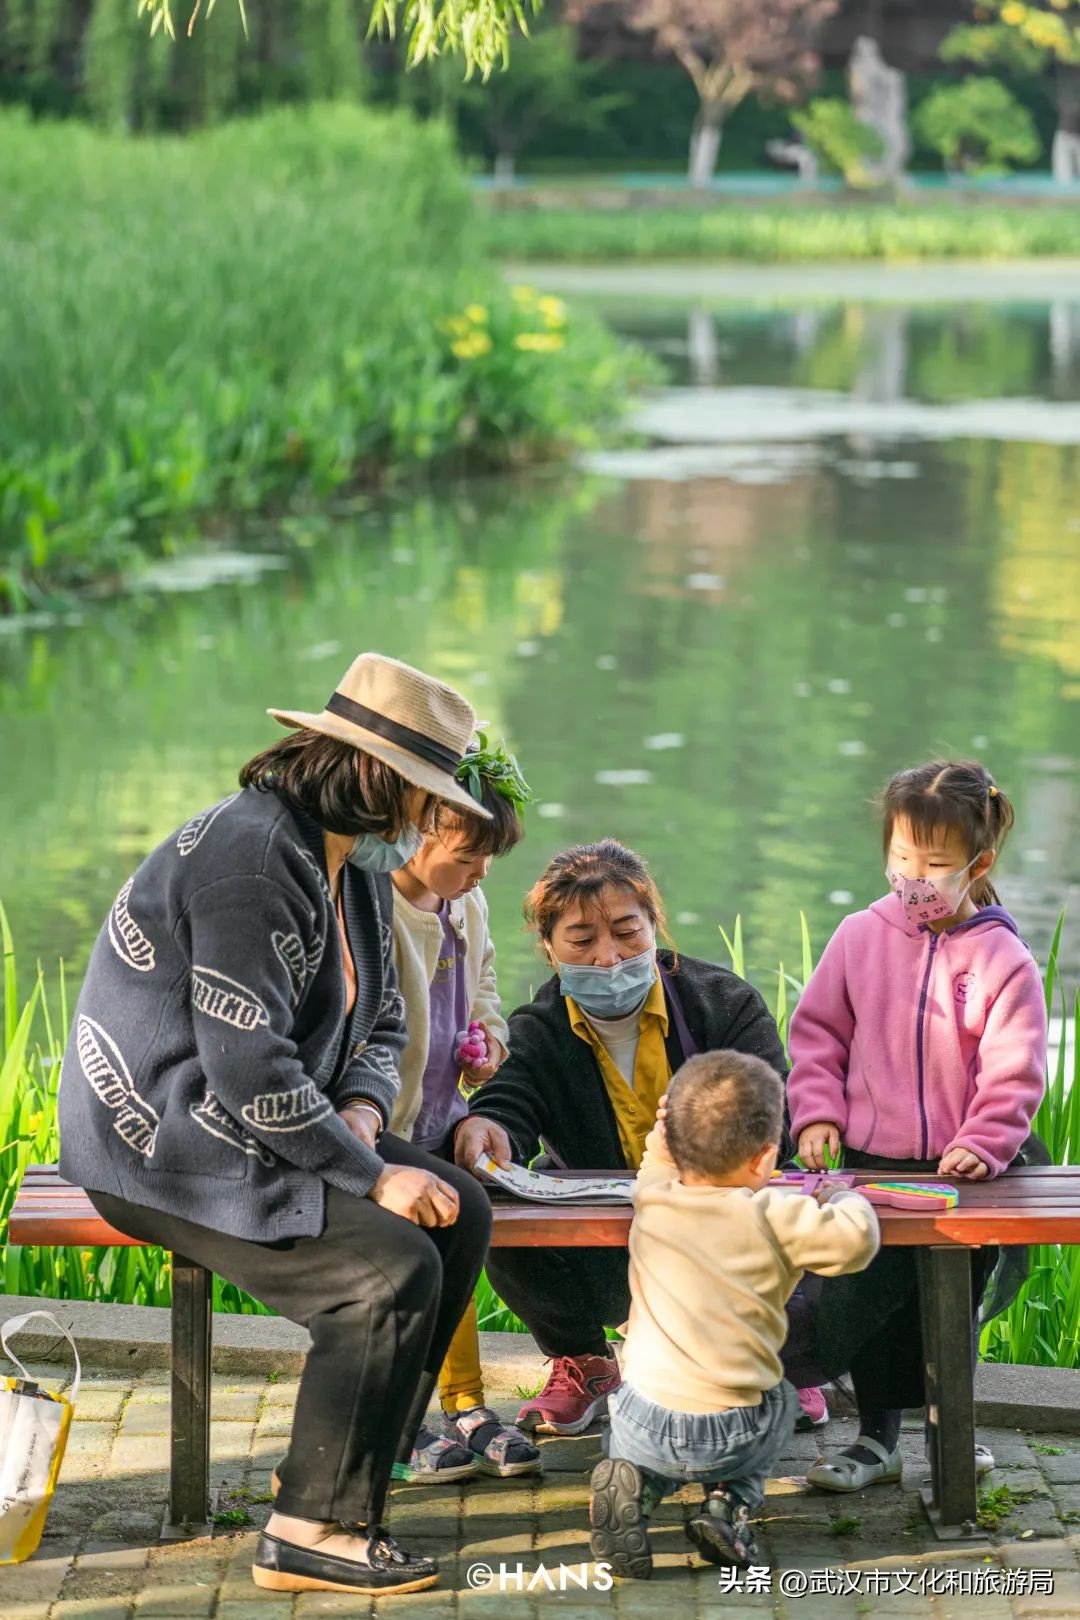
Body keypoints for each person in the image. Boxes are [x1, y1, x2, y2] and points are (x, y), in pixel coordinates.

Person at [57, 652, 495, 1598]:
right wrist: (371, 1175)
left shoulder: (349, 861)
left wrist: (366, 1114)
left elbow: (381, 1019)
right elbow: (244, 1063)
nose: (428, 824)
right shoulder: (253, 858)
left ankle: (360, 1479)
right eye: (423, 799)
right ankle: (310, 1530)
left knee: (462, 1208)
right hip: (167, 1138)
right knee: (386, 1269)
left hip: (272, 1115)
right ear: (376, 780)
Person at [453, 838, 790, 1436]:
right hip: (607, 1246)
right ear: (550, 950)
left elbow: (773, 1109)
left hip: (720, 1231)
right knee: (495, 1214)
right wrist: (487, 1125)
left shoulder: (724, 1004)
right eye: (582, 940)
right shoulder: (541, 1026)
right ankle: (584, 1361)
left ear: (655, 927)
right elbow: (511, 1100)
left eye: (628, 933)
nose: (608, 957)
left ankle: (779, 1365)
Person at [787, 760, 1048, 1492]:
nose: (913, 878)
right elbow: (817, 1036)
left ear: (979, 863)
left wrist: (983, 1141)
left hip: (962, 1171)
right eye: (901, 858)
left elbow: (1015, 1069)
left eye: (934, 864)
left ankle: (949, 1435)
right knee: (863, 1297)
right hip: (870, 1156)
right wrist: (816, 1114)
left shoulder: (1002, 959)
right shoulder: (858, 936)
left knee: (946, 1305)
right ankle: (875, 1440)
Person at [589, 1051, 879, 1577]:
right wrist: (845, 1199)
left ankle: (639, 1485)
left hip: (638, 1417)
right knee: (783, 1396)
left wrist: (663, 1133)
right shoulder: (775, 1215)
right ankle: (727, 1507)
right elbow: (855, 1245)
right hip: (730, 1429)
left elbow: (655, 1162)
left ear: (676, 1144)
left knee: (643, 1435)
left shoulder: (653, 1198)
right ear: (766, 1157)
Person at [389, 735, 541, 1483]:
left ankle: (467, 1403)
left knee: (465, 1227)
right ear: (420, 830)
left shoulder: (468, 903)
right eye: (468, 853)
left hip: (445, 1112)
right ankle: (399, 1417)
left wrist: (490, 1044)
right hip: (384, 1124)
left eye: (489, 857)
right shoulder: (376, 909)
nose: (482, 872)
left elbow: (483, 992)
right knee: (405, 1260)